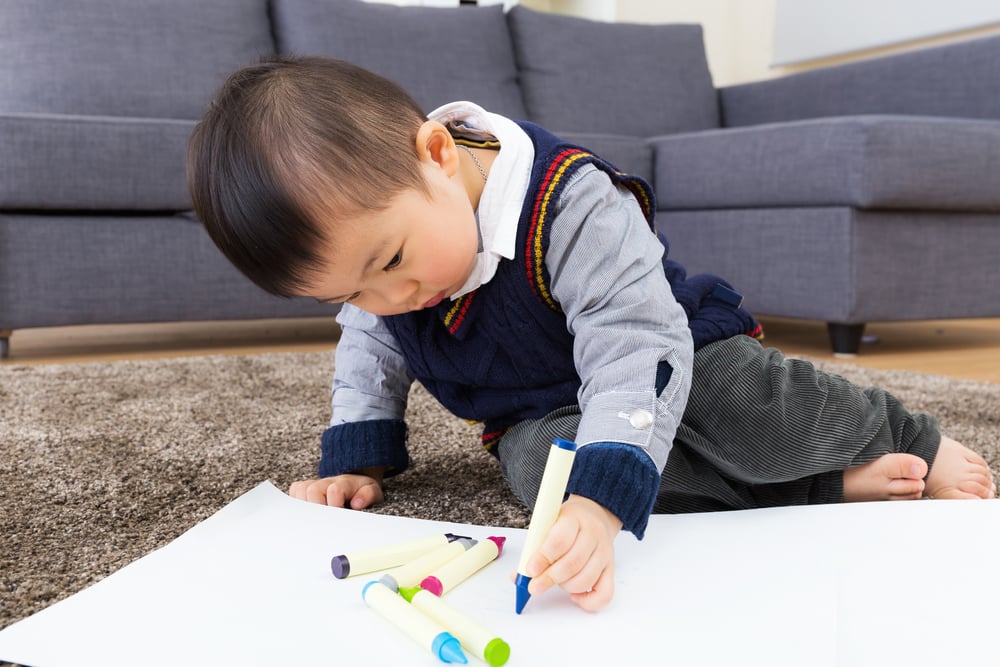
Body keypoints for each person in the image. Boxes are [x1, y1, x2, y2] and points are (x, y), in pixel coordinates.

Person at [187, 55, 995, 612]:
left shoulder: (568, 201)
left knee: (747, 403)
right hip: (541, 406)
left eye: (391, 261)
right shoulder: (385, 281)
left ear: (436, 153)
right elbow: (369, 342)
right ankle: (810, 490)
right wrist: (357, 449)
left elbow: (630, 346)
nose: (389, 298)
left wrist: (605, 504)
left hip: (668, 353)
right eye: (352, 289)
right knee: (545, 471)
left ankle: (904, 439)